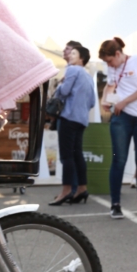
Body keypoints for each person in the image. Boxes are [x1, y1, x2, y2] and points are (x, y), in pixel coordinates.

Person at [99, 37, 137, 220]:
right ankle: (115, 204)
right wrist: (104, 100)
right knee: (118, 160)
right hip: (121, 117)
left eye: (110, 60)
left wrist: (124, 101)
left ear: (118, 53)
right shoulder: (112, 67)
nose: (110, 65)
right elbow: (110, 86)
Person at [50, 46, 95, 206]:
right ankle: (82, 188)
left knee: (66, 156)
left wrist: (60, 85)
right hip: (81, 119)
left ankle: (66, 190)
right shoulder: (89, 77)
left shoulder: (72, 70)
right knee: (77, 155)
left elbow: (64, 91)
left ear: (81, 58)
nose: (70, 55)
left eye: (74, 53)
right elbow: (92, 102)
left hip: (68, 117)